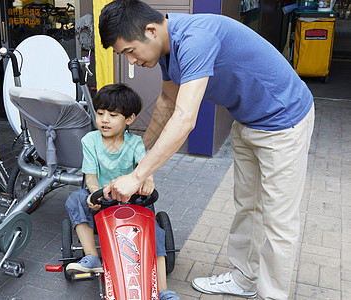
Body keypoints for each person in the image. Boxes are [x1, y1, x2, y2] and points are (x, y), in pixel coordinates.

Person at [98, 1, 315, 299]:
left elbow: (185, 118)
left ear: (151, 30)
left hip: (284, 122)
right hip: (248, 119)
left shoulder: (195, 39)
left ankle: (273, 295)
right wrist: (137, 154)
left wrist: (138, 176)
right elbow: (166, 103)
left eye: (130, 51)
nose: (132, 61)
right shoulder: (165, 48)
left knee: (278, 221)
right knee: (247, 207)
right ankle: (244, 280)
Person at [64, 83, 180, 300]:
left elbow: (145, 166)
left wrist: (147, 180)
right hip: (103, 199)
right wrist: (93, 194)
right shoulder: (90, 140)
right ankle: (91, 256)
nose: (104, 119)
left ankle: (162, 290)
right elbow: (90, 175)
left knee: (155, 232)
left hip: (133, 201)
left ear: (129, 119)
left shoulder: (135, 143)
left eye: (112, 115)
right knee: (74, 199)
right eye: (100, 114)